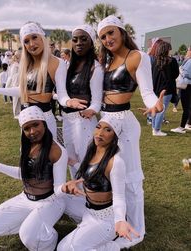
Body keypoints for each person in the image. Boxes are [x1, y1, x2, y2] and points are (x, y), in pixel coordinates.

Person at [97, 15, 164, 248]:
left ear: (122, 32)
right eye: (103, 36)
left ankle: (137, 230)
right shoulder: (105, 61)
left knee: (131, 178)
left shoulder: (136, 57)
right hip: (105, 121)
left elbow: (147, 91)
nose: (107, 39)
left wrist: (155, 103)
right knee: (112, 174)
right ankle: (120, 220)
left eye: (110, 33)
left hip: (123, 122)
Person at [0, 106, 68, 251]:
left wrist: (65, 188)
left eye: (35, 124)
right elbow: (24, 174)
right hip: (25, 199)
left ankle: (50, 240)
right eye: (27, 128)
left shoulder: (57, 150)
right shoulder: (26, 146)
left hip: (51, 202)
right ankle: (33, 224)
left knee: (28, 236)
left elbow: (58, 189)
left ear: (44, 123)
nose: (32, 131)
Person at [0, 22, 75, 139]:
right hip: (26, 117)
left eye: (34, 37)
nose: (31, 44)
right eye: (26, 41)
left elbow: (62, 94)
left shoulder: (56, 62)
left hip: (43, 118)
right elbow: (22, 91)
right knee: (27, 154)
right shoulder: (26, 64)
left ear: (42, 37)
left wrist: (68, 102)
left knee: (49, 154)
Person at [57, 116, 140, 251]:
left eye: (107, 130)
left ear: (115, 136)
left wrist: (119, 220)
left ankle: (113, 247)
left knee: (64, 249)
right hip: (88, 212)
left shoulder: (116, 162)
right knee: (59, 197)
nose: (99, 133)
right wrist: (75, 165)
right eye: (98, 127)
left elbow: (119, 197)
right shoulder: (93, 151)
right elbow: (92, 172)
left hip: (106, 220)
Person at [61, 24, 103, 179]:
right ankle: (76, 194)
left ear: (91, 42)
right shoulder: (67, 66)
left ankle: (90, 195)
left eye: (83, 39)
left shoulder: (95, 68)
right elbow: (59, 93)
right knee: (71, 159)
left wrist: (91, 110)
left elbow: (97, 101)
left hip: (83, 120)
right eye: (75, 39)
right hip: (66, 120)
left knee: (85, 159)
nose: (78, 43)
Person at [151, 41, 179, 136]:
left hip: (155, 89)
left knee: (156, 109)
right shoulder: (172, 61)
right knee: (161, 110)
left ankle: (154, 128)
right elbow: (176, 74)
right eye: (169, 49)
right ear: (166, 50)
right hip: (167, 90)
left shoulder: (154, 61)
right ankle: (157, 130)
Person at [171, 49, 191, 133]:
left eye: (188, 50)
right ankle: (188, 124)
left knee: (186, 107)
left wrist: (181, 70)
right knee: (189, 106)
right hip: (188, 85)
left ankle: (181, 127)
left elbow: (187, 73)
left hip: (186, 86)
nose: (187, 51)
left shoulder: (189, 61)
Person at [6, 49, 21, 118]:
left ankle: (19, 112)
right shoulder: (14, 64)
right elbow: (11, 76)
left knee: (19, 100)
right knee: (15, 100)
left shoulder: (19, 63)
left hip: (20, 84)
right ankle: (15, 113)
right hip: (15, 84)